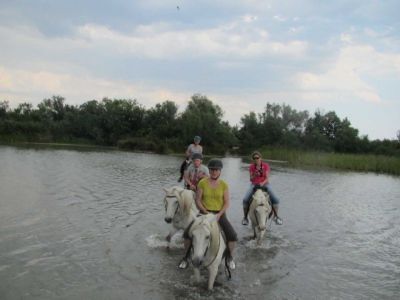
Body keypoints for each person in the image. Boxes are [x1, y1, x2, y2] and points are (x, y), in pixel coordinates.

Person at [178, 159, 237, 270]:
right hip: (204, 212)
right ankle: (185, 257)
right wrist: (205, 211)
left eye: (216, 170)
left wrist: (219, 214)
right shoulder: (202, 182)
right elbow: (198, 200)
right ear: (209, 170)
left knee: (232, 235)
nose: (214, 172)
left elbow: (227, 202)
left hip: (219, 214)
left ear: (220, 171)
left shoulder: (224, 185)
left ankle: (229, 257)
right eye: (212, 169)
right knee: (187, 233)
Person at [242, 151, 283, 226]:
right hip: (254, 185)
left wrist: (262, 183)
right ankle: (245, 218)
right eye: (254, 158)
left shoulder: (265, 166)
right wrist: (254, 174)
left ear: (261, 158)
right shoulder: (251, 167)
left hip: (265, 184)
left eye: (257, 158)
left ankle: (276, 216)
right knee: (245, 199)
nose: (256, 159)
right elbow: (251, 179)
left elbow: (267, 178)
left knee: (276, 199)